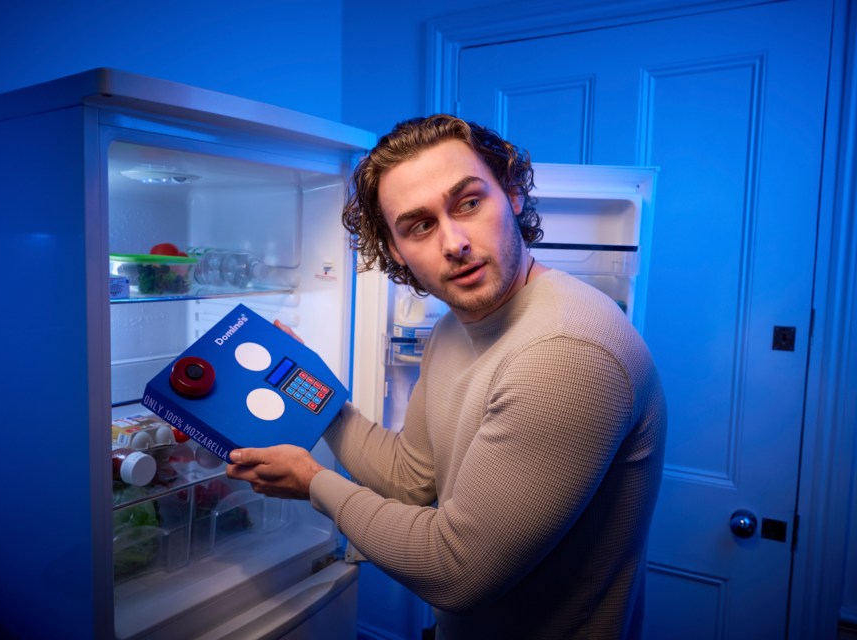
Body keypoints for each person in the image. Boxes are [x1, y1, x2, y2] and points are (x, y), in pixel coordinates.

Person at [227, 114, 667, 639]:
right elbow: (411, 478)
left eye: (469, 203)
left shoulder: (567, 354)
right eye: (420, 225)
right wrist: (310, 390)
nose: (453, 242)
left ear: (511, 194)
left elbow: (456, 571)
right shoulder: (457, 329)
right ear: (397, 252)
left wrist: (315, 483)